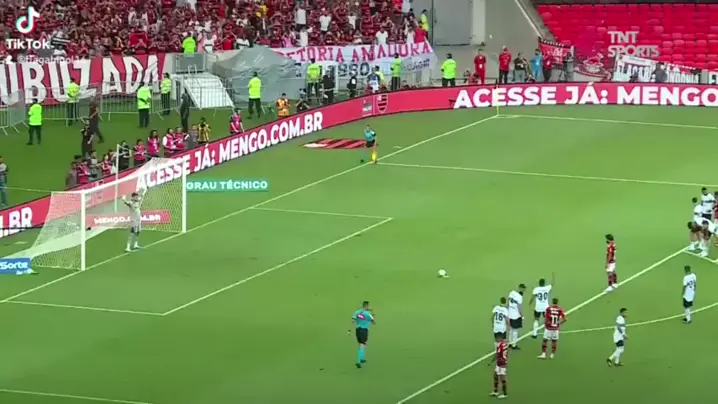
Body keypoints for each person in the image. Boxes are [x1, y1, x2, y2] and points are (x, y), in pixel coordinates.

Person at [350, 301, 375, 368]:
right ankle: (358, 362)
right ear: (366, 306)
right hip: (364, 330)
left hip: (358, 330)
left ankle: (362, 358)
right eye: (369, 306)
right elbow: (373, 322)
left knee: (361, 344)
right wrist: (371, 317)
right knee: (362, 345)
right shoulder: (368, 314)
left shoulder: (357, 312)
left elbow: (353, 320)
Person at [529, 273, 554, 338]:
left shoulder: (536, 289)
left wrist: (530, 303)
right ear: (544, 283)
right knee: (546, 320)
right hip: (545, 307)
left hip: (538, 307)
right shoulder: (547, 288)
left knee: (536, 319)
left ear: (539, 283)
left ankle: (534, 334)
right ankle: (546, 334)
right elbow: (552, 284)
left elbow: (532, 297)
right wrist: (553, 277)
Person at [489, 335, 508, 399]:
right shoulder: (505, 344)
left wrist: (491, 362)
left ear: (500, 338)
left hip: (501, 363)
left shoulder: (500, 345)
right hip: (501, 362)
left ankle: (505, 394)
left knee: (502, 379)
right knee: (495, 376)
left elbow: (497, 354)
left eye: (497, 338)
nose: (496, 340)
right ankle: (495, 391)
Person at [507, 284, 526, 349]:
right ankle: (514, 345)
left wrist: (507, 310)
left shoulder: (512, 292)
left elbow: (508, 302)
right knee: (515, 330)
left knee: (511, 329)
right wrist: (522, 315)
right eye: (523, 289)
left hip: (510, 314)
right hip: (516, 316)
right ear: (521, 288)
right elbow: (519, 307)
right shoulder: (520, 297)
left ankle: (510, 343)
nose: (524, 291)